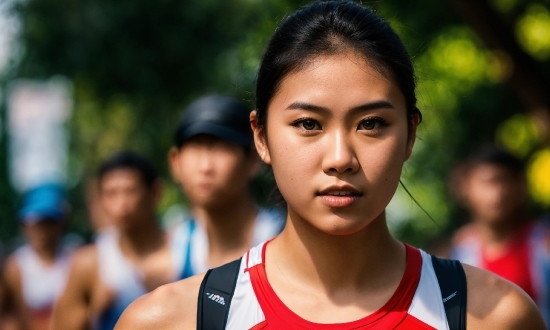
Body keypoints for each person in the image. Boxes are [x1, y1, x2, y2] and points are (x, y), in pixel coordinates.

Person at [116, 1, 545, 329]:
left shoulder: (491, 316)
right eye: (308, 124)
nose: (340, 157)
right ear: (261, 136)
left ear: (411, 134)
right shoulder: (170, 320)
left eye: (371, 124)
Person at [51, 151, 186, 329]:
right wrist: (94, 314)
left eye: (130, 191)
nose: (121, 204)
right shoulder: (89, 265)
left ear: (155, 192)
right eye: (111, 193)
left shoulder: (189, 250)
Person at [168, 94, 284, 278]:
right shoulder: (170, 256)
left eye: (221, 148)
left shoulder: (288, 241)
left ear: (253, 160)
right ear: (176, 163)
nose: (205, 167)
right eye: (195, 149)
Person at [449, 145, 550, 324]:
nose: (496, 194)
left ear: (520, 186)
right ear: (466, 188)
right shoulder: (462, 254)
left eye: (503, 181)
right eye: (487, 182)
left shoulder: (542, 244)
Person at [1, 183, 74, 330]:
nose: (41, 230)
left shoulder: (75, 260)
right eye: (35, 223)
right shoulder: (15, 267)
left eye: (48, 222)